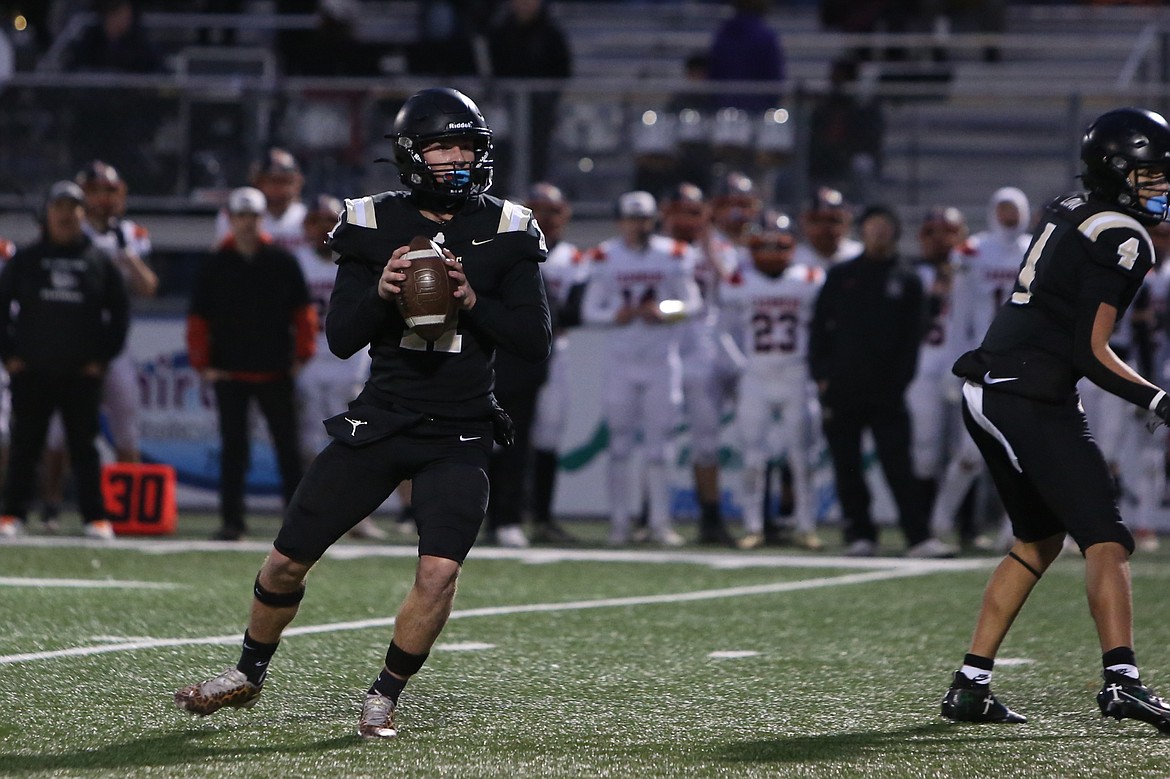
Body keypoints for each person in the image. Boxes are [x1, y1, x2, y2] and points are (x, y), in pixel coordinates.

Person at [174, 87, 552, 740]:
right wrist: (380, 294)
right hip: (381, 418)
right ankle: (247, 671)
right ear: (411, 154)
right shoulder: (371, 221)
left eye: (467, 145)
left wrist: (471, 300)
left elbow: (533, 341)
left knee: (439, 572)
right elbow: (342, 335)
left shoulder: (510, 228)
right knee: (285, 561)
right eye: (443, 146)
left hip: (460, 429)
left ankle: (385, 692)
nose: (458, 157)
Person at [940, 107, 1170, 732]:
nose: (1162, 186)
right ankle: (1123, 681)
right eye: (1151, 175)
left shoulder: (1071, 206)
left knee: (1039, 538)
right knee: (1107, 536)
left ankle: (970, 686)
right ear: (1120, 173)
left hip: (988, 386)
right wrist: (1158, 400)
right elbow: (1090, 352)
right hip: (1028, 393)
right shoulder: (1126, 237)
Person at [808, 204, 953, 558]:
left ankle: (917, 536)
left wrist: (900, 381)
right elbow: (818, 329)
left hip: (888, 389)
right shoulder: (842, 275)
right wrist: (822, 376)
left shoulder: (907, 278)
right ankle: (860, 534)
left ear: (895, 232)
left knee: (898, 464)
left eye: (885, 227)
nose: (879, 233)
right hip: (843, 387)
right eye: (873, 226)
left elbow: (913, 336)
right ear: (862, 231)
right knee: (848, 465)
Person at [0, 181, 129, 540]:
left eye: (73, 208)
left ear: (82, 214)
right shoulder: (25, 260)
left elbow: (119, 315)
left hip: (81, 373)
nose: (66, 214)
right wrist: (9, 355)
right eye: (59, 207)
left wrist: (101, 359)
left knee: (84, 447)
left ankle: (95, 517)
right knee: (24, 444)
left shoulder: (99, 261)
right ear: (47, 214)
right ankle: (11, 514)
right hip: (32, 370)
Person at [187, 186, 317, 542]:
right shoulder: (214, 265)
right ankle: (232, 522)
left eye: (252, 216)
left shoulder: (282, 261)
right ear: (230, 219)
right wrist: (202, 364)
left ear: (261, 220)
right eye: (240, 216)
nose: (246, 223)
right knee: (233, 449)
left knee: (287, 450)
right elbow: (198, 320)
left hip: (275, 370)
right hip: (230, 371)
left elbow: (303, 314)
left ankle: (296, 524)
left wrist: (301, 355)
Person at [37, 160, 160, 532]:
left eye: (108, 191)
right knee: (59, 430)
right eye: (94, 191)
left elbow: (148, 288)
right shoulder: (68, 233)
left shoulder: (130, 235)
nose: (102, 199)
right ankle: (52, 504)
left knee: (126, 424)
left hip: (114, 344)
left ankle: (131, 506)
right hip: (73, 343)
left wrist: (129, 258)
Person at [581, 190, 702, 547]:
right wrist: (614, 316)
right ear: (620, 221)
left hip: (662, 362)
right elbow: (590, 311)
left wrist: (664, 312)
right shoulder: (605, 255)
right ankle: (619, 524)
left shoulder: (675, 254)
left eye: (645, 219)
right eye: (633, 219)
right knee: (619, 446)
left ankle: (660, 523)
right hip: (621, 363)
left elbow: (694, 303)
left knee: (659, 448)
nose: (639, 226)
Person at [930, 186, 1032, 549]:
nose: (1008, 217)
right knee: (971, 454)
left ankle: (1017, 529)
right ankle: (940, 520)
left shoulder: (1036, 250)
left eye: (1013, 210)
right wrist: (952, 365)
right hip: (983, 362)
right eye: (1002, 210)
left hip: (1025, 364)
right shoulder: (973, 251)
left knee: (1023, 454)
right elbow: (959, 318)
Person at [488, 182, 586, 547]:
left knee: (542, 435)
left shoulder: (571, 259)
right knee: (500, 439)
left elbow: (576, 311)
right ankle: (499, 516)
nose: (545, 219)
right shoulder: (509, 253)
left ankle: (535, 516)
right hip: (511, 355)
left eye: (552, 211)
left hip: (549, 354)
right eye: (538, 211)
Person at [721, 211, 824, 550]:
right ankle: (753, 525)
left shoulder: (809, 278)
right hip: (757, 376)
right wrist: (742, 366)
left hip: (796, 374)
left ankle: (805, 525)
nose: (769, 252)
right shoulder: (739, 281)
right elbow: (724, 332)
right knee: (753, 457)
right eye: (763, 245)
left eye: (776, 245)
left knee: (801, 456)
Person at [293, 192, 385, 541]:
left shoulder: (357, 260)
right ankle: (312, 512)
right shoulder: (295, 261)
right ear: (306, 225)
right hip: (308, 359)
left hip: (350, 362)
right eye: (317, 221)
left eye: (331, 221)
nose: (325, 229)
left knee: (356, 441)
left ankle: (354, 515)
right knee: (309, 444)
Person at [661, 181, 741, 546]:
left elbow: (732, 284)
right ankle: (653, 517)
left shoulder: (721, 248)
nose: (687, 220)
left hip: (705, 349)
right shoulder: (657, 249)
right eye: (681, 211)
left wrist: (708, 243)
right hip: (664, 348)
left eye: (695, 212)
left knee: (707, 440)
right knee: (656, 439)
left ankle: (711, 518)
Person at [906, 206, 968, 521]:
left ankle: (964, 524)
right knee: (925, 449)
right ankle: (924, 521)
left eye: (947, 231)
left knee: (969, 448)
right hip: (924, 367)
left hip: (965, 365)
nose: (940, 239)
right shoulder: (911, 273)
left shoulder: (973, 267)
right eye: (932, 232)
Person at [486, 0, 573, 186]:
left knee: (539, 158)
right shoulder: (500, 32)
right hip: (506, 109)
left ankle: (538, 196)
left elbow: (562, 71)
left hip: (540, 113)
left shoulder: (551, 34)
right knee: (501, 154)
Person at [806, 56, 885, 205]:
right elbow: (813, 141)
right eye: (835, 78)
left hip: (848, 162)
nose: (838, 84)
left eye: (843, 78)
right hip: (823, 163)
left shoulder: (866, 109)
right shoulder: (822, 109)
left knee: (862, 165)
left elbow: (869, 144)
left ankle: (863, 210)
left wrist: (843, 153)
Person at [215, 148, 308, 253]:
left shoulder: (312, 218)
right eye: (270, 181)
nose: (277, 187)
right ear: (257, 182)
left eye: (283, 181)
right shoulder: (236, 215)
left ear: (297, 183)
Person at [707, 0, 784, 113]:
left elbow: (713, 73)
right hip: (757, 108)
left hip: (725, 108)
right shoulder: (765, 36)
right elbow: (775, 77)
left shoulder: (722, 33)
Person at [794, 187, 863, 271]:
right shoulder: (791, 259)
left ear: (847, 222)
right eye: (817, 220)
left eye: (833, 220)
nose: (825, 228)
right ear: (804, 223)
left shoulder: (860, 255)